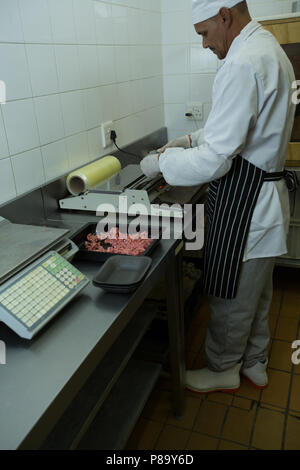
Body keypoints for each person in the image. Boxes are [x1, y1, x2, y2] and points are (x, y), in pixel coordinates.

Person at [140, 0, 298, 393]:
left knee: (231, 294)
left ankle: (222, 368)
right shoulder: (266, 48)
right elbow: (239, 127)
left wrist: (162, 164)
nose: (205, 45)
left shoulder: (244, 61)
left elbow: (216, 161)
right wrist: (189, 139)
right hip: (266, 196)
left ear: (225, 15)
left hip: (248, 204)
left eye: (205, 33)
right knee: (257, 290)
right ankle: (254, 360)